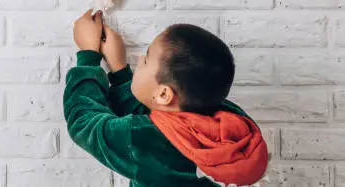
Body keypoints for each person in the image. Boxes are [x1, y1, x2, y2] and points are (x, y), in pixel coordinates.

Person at [63, 10, 269, 187]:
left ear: (164, 94)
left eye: (147, 58)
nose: (140, 59)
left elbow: (83, 121)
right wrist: (120, 71)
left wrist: (88, 56)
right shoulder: (232, 122)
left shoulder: (141, 139)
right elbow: (161, 118)